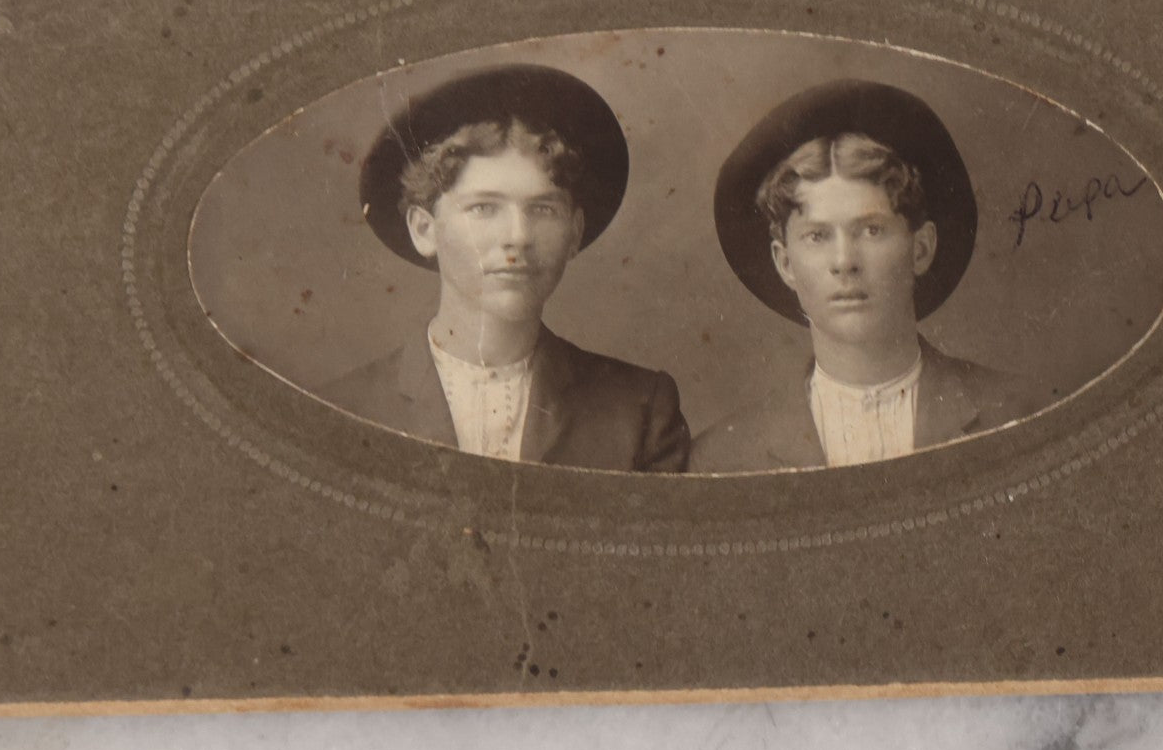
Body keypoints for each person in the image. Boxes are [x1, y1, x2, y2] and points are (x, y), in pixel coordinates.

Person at [321, 64, 691, 473]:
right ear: (425, 230)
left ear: (574, 232)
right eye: (484, 208)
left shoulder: (638, 411)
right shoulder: (339, 410)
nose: (518, 236)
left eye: (543, 209)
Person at [692, 80, 1045, 473]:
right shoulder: (725, 457)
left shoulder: (1021, 412)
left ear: (921, 249)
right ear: (785, 264)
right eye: (817, 236)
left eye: (871, 230)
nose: (845, 261)